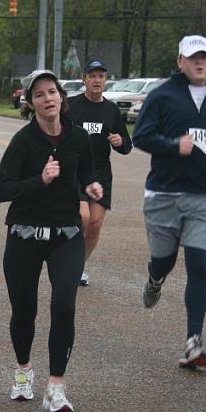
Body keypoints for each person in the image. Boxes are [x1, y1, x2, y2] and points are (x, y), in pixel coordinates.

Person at [132, 35, 206, 368]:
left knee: (199, 264)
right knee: (164, 261)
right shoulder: (161, 95)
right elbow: (140, 136)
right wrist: (173, 146)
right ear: (180, 61)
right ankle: (155, 279)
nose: (200, 62)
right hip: (164, 194)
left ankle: (193, 342)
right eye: (193, 57)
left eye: (204, 57)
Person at [0, 70, 103, 412]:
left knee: (64, 306)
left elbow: (86, 170)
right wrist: (39, 180)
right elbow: (1, 190)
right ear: (30, 103)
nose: (47, 98)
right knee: (24, 311)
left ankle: (56, 386)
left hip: (65, 235)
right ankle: (23, 369)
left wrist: (91, 185)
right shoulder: (23, 141)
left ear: (61, 97)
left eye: (52, 91)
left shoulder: (78, 138)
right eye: (39, 94)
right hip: (24, 235)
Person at [65, 60, 132, 286]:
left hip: (100, 173)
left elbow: (126, 145)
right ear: (84, 79)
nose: (97, 80)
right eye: (92, 76)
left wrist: (120, 141)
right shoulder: (72, 106)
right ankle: (65, 259)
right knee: (83, 217)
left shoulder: (111, 110)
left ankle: (77, 267)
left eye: (101, 76)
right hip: (75, 171)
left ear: (105, 80)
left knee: (94, 223)